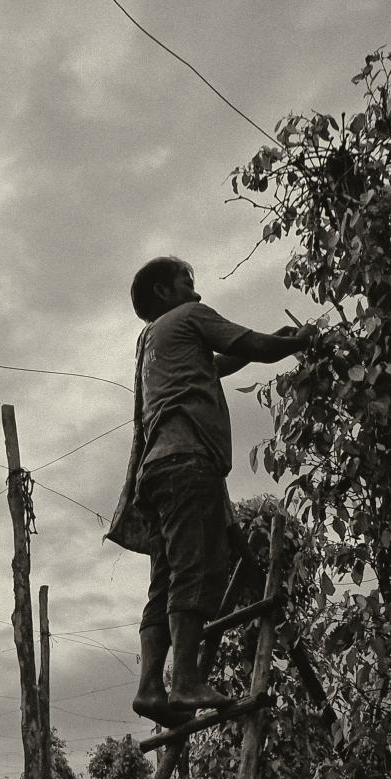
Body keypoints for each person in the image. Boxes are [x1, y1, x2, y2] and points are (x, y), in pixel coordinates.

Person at [108, 256, 310, 722]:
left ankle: (150, 689)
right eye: (186, 280)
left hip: (155, 474)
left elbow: (223, 360)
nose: (195, 289)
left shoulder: (150, 344)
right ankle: (186, 683)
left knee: (166, 576)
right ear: (163, 291)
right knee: (195, 570)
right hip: (188, 463)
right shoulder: (190, 317)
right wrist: (299, 342)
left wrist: (273, 344)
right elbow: (247, 343)